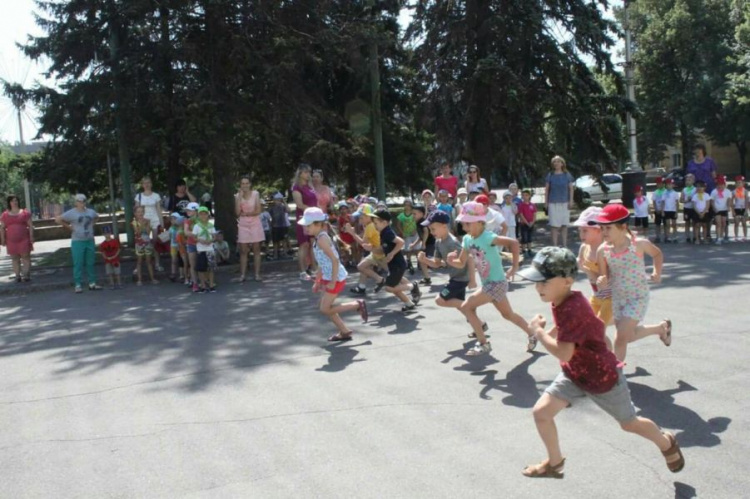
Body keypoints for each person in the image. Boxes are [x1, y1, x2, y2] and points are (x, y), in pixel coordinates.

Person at [516, 246, 684, 479]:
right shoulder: (564, 301)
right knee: (541, 413)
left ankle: (666, 442)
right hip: (576, 373)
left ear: (567, 281)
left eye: (544, 282)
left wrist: (539, 332)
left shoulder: (572, 307)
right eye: (537, 282)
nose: (538, 287)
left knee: (629, 423)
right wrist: (551, 333)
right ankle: (555, 463)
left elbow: (564, 353)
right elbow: (585, 331)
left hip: (603, 379)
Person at [446, 201, 537, 356]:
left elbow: (514, 243)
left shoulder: (488, 237)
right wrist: (450, 261)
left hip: (497, 283)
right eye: (463, 224)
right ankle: (533, 334)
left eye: (468, 224)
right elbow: (461, 263)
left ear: (480, 223)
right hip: (488, 283)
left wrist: (514, 267)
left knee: (467, 307)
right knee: (508, 314)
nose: (464, 228)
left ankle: (483, 343)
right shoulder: (467, 239)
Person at [594, 204, 671, 362]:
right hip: (618, 298)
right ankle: (661, 328)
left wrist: (657, 272)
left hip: (637, 296)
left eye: (608, 228)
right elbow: (604, 276)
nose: (604, 232)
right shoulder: (603, 250)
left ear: (623, 227)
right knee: (628, 336)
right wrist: (602, 281)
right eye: (602, 228)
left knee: (620, 337)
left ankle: (617, 375)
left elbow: (657, 254)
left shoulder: (639, 244)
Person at [298, 207, 367, 341]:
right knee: (326, 306)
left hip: (335, 277)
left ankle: (357, 304)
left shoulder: (322, 239)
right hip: (329, 276)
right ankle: (344, 331)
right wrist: (318, 281)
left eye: (308, 225)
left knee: (325, 309)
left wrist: (333, 282)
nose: (305, 228)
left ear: (318, 224)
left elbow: (335, 260)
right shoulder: (318, 238)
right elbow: (322, 263)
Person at [418, 211, 478, 331]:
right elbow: (436, 263)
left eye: (433, 229)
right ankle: (480, 326)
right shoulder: (439, 242)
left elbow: (469, 258)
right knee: (461, 307)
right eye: (430, 229)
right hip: (455, 278)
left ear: (444, 226)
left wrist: (472, 280)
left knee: (440, 300)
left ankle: (470, 307)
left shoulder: (452, 242)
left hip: (461, 279)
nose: (431, 232)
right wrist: (424, 260)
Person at [573, 207, 613, 350]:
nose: (581, 234)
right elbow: (577, 264)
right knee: (587, 327)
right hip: (597, 296)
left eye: (585, 230)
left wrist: (589, 271)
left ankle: (613, 363)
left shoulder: (607, 250)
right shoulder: (584, 248)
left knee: (597, 330)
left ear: (598, 230)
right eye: (580, 230)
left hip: (610, 297)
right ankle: (661, 328)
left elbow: (606, 280)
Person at [368, 209, 422, 313]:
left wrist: (392, 254)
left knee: (389, 288)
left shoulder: (387, 232)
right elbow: (383, 248)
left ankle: (413, 286)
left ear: (384, 222)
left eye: (376, 223)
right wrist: (371, 249)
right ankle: (409, 304)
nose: (374, 225)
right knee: (394, 286)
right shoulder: (383, 232)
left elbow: (400, 242)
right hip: (393, 265)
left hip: (398, 264)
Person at [56, 194, 102, 293]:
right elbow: (58, 219)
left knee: (90, 262)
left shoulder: (90, 212)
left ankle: (92, 283)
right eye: (79, 201)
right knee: (78, 263)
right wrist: (69, 227)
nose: (82, 203)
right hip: (77, 241)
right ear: (76, 202)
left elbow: (98, 217)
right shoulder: (71, 213)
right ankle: (78, 284)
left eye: (83, 201)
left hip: (89, 240)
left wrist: (92, 224)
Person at [345, 204, 388, 294]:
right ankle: (362, 286)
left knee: (395, 275)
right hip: (375, 253)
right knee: (362, 266)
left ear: (369, 217)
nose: (360, 221)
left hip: (381, 254)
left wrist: (352, 233)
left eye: (361, 218)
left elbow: (363, 243)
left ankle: (410, 286)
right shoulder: (371, 225)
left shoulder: (370, 227)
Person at [292, 163, 319, 281]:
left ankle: (314, 269)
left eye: (309, 172)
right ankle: (302, 271)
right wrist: (313, 211)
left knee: (313, 244)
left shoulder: (310, 186)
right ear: (300, 173)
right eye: (306, 172)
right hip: (303, 217)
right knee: (304, 244)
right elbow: (299, 204)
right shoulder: (296, 187)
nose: (308, 175)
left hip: (313, 218)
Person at [236, 175, 265, 282]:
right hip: (243, 225)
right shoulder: (237, 196)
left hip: (255, 224)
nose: (245, 186)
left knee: (256, 249)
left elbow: (258, 210)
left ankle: (257, 274)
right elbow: (237, 212)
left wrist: (247, 213)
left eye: (246, 183)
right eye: (242, 183)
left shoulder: (255, 194)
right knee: (243, 251)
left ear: (250, 184)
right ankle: (242, 275)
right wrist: (239, 198)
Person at [686, 144, 718, 239]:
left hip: (708, 189)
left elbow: (714, 175)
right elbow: (689, 176)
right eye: (696, 150)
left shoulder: (709, 161)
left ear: (703, 151)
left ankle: (707, 233)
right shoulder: (690, 163)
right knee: (696, 210)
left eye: (699, 150)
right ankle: (697, 234)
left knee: (708, 212)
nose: (698, 152)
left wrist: (716, 187)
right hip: (695, 190)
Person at [0, 195, 34, 282]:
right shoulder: (5, 215)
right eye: (12, 201)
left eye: (16, 200)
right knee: (15, 258)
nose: (14, 203)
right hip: (11, 241)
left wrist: (31, 237)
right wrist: (2, 239)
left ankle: (26, 275)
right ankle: (17, 275)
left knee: (25, 256)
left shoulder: (25, 213)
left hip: (24, 239)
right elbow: (2, 228)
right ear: (9, 203)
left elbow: (30, 226)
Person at [544, 156, 575, 247]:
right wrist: (546, 203)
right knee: (554, 225)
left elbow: (571, 189)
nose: (556, 163)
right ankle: (555, 246)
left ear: (562, 163)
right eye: (554, 162)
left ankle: (565, 245)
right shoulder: (550, 175)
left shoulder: (567, 175)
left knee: (564, 224)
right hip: (553, 203)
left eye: (558, 161)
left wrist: (571, 200)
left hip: (565, 202)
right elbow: (546, 190)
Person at [193, 206, 217, 293]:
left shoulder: (210, 225)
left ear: (208, 215)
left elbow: (214, 236)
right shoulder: (196, 226)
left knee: (211, 268)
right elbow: (194, 237)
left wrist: (211, 240)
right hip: (201, 249)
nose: (203, 216)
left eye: (205, 214)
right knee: (201, 268)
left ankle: (211, 285)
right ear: (198, 215)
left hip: (210, 249)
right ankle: (203, 285)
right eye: (201, 214)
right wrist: (200, 240)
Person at [132, 205, 158, 286]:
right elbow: (138, 232)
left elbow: (147, 232)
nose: (140, 213)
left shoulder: (147, 220)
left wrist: (146, 224)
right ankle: (139, 280)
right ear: (135, 213)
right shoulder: (134, 222)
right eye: (138, 212)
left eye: (142, 211)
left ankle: (152, 278)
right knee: (139, 261)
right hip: (139, 243)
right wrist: (143, 224)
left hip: (147, 242)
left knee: (149, 261)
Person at [396, 199, 419, 274]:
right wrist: (402, 232)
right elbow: (398, 224)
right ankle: (409, 262)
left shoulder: (414, 214)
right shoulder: (401, 215)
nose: (407, 206)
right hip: (406, 234)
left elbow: (418, 222)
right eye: (405, 205)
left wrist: (416, 230)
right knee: (408, 249)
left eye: (409, 205)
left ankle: (419, 261)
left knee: (417, 248)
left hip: (415, 233)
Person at [98, 225, 122, 289]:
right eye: (105, 233)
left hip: (115, 260)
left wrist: (114, 256)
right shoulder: (102, 244)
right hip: (107, 260)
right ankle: (112, 284)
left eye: (108, 233)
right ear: (103, 234)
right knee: (109, 273)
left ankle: (119, 283)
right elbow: (102, 252)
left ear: (110, 233)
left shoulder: (115, 241)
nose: (107, 235)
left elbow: (118, 250)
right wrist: (106, 257)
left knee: (117, 272)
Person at [184, 202, 200, 291]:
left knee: (202, 263)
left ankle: (204, 280)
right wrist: (196, 234)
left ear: (196, 211)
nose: (188, 212)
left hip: (201, 244)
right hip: (191, 244)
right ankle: (195, 283)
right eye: (187, 210)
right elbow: (186, 232)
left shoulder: (202, 219)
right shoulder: (187, 220)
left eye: (190, 210)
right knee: (192, 265)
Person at [710, 175, 731, 245]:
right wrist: (714, 208)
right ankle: (718, 237)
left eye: (722, 185)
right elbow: (712, 201)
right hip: (717, 209)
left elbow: (729, 200)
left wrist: (728, 207)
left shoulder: (728, 192)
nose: (720, 187)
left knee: (723, 223)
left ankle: (721, 236)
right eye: (719, 185)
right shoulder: (714, 192)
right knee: (718, 223)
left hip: (724, 209)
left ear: (724, 185)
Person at [269, 192, 289, 260]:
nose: (278, 201)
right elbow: (269, 217)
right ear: (274, 200)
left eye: (279, 200)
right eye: (276, 200)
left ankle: (285, 253)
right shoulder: (272, 208)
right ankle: (275, 255)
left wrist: (284, 201)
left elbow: (288, 210)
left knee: (283, 240)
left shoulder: (283, 207)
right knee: (275, 242)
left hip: (282, 226)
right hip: (275, 226)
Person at [168, 212, 186, 282]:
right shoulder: (170, 228)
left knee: (182, 259)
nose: (173, 221)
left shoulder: (181, 228)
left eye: (174, 219)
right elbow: (170, 237)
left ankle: (183, 275)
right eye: (171, 219)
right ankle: (173, 273)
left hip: (180, 245)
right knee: (173, 260)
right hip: (173, 245)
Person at [518, 189, 537, 256]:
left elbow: (534, 214)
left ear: (529, 196)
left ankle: (529, 250)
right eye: (523, 195)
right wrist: (526, 223)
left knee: (529, 237)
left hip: (531, 224)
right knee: (524, 237)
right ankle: (523, 250)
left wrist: (532, 222)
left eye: (526, 195)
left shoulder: (532, 205)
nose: (524, 197)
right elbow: (521, 215)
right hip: (524, 224)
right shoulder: (521, 205)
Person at [680, 174, 696, 243]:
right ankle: (688, 236)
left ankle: (695, 236)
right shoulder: (684, 189)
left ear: (693, 181)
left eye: (689, 180)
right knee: (687, 222)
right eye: (686, 180)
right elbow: (681, 200)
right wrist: (686, 201)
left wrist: (692, 199)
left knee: (694, 222)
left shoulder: (695, 189)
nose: (687, 182)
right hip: (687, 208)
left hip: (694, 208)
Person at [731, 175, 748, 242]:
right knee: (736, 223)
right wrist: (733, 211)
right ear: (735, 183)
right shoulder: (734, 191)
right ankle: (736, 236)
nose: (738, 184)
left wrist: (746, 210)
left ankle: (745, 236)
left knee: (744, 223)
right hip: (737, 208)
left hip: (743, 208)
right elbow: (732, 202)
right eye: (737, 182)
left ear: (743, 183)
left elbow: (747, 201)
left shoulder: (745, 191)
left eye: (740, 182)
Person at [651, 177, 666, 243]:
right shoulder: (655, 192)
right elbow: (654, 201)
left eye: (662, 183)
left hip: (665, 210)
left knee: (665, 224)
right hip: (657, 210)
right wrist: (656, 208)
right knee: (657, 224)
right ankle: (657, 236)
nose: (660, 185)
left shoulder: (666, 191)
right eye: (658, 183)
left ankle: (666, 236)